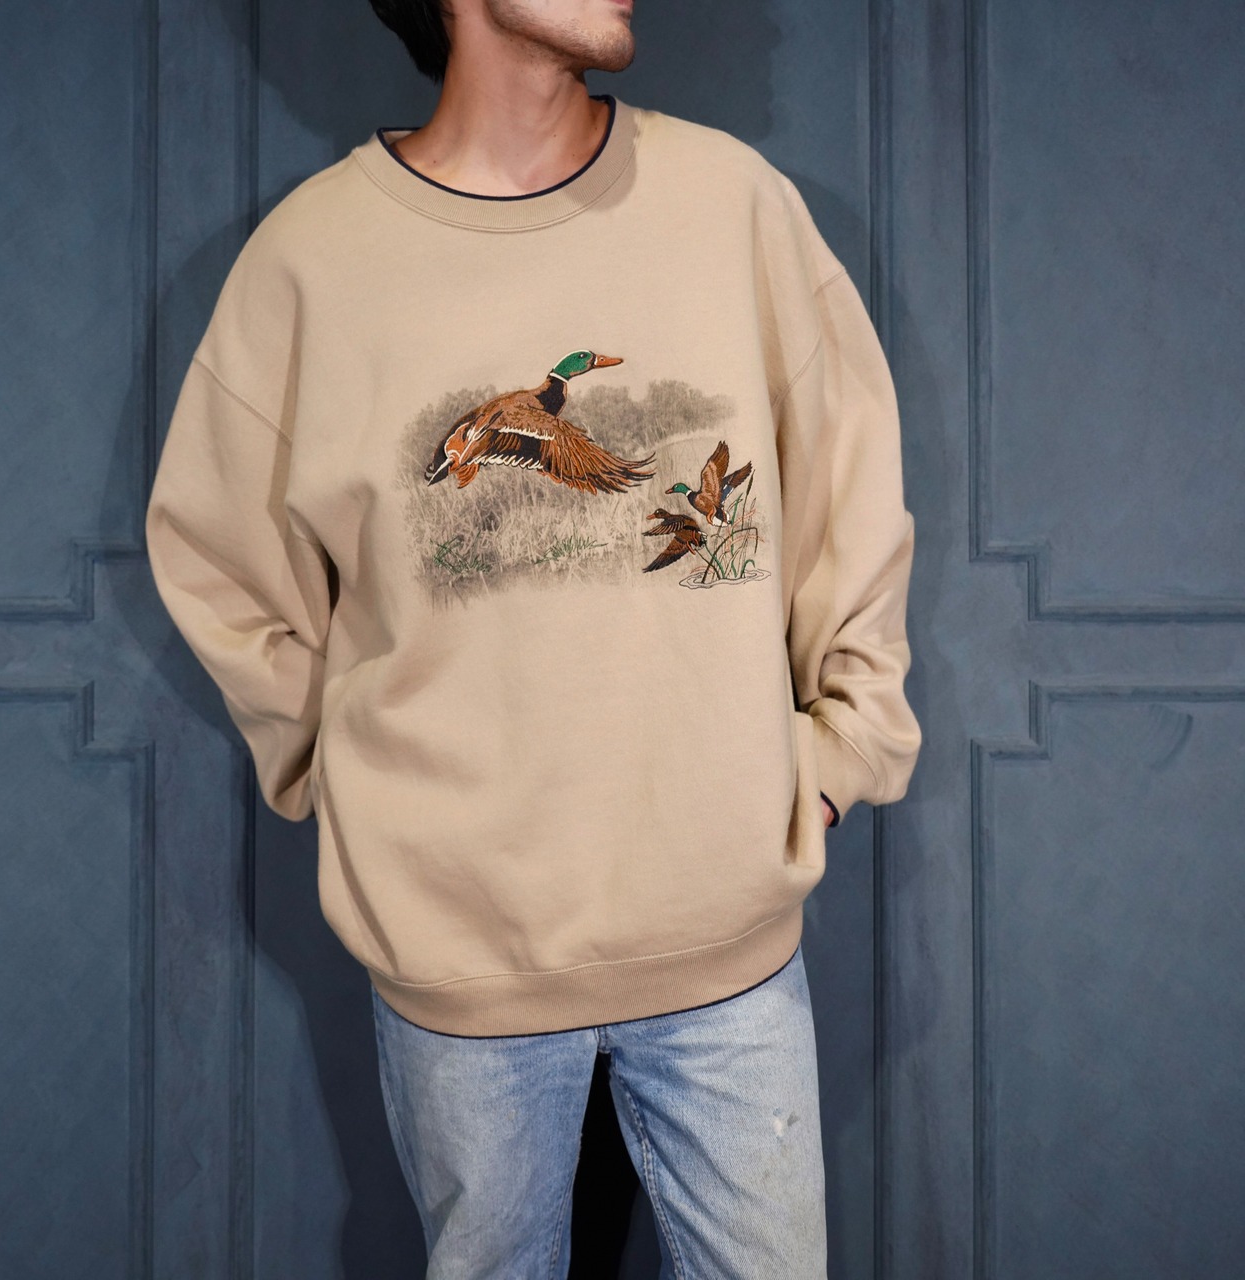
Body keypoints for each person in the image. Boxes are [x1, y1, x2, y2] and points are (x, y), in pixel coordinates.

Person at [144, 0, 923, 1274]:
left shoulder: (730, 205)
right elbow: (215, 558)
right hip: (460, 957)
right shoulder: (313, 262)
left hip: (722, 934)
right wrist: (350, 777)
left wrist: (837, 755)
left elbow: (850, 486)